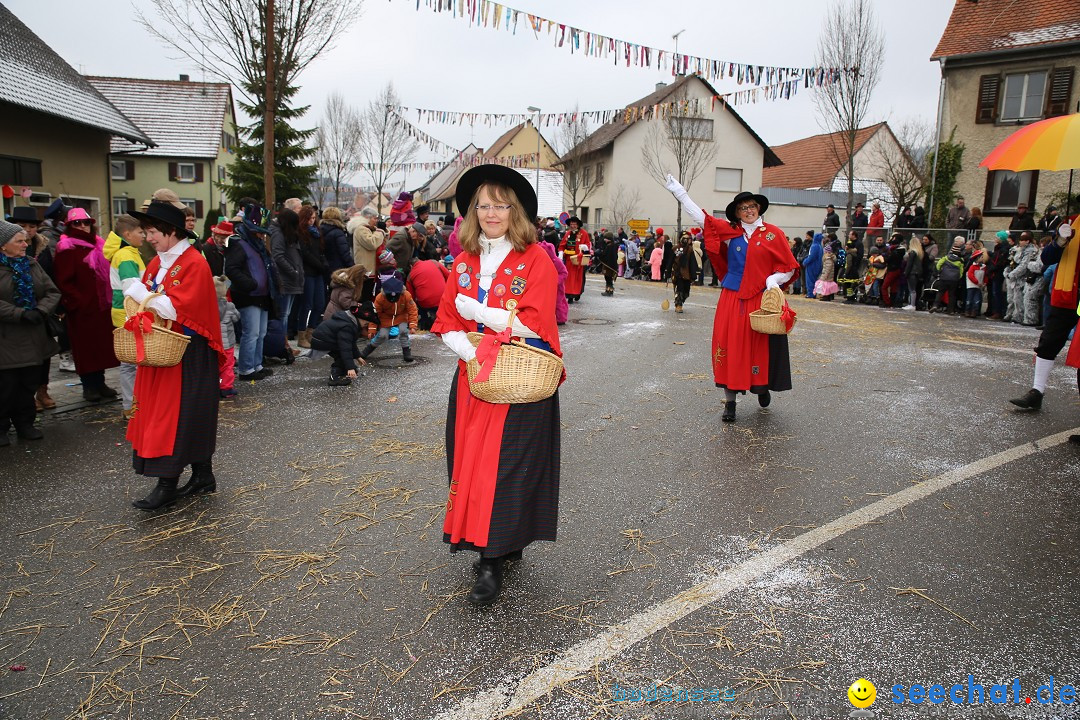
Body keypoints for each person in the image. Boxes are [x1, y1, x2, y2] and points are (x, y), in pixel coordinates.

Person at [431, 164, 563, 606]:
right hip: (475, 381)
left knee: (510, 467)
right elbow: (447, 318)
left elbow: (537, 323)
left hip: (520, 380)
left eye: (500, 205)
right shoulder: (464, 261)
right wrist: (471, 356)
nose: (491, 213)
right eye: (483, 205)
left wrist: (484, 316)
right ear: (473, 211)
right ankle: (488, 551)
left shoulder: (535, 258)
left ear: (514, 211)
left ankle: (498, 552)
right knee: (473, 465)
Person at [666, 177, 798, 422]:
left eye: (751, 207)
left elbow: (789, 267)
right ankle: (730, 401)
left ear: (758, 209)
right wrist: (682, 194)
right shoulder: (730, 233)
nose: (748, 211)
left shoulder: (773, 234)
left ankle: (762, 387)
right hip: (733, 297)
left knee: (759, 347)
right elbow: (702, 219)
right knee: (729, 345)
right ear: (737, 213)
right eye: (743, 208)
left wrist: (773, 280)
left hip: (760, 298)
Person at [123, 201, 224, 510]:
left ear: (170, 230)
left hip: (190, 353)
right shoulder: (156, 263)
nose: (148, 237)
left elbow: (178, 308)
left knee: (181, 418)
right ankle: (203, 476)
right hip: (163, 350)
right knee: (181, 415)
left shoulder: (194, 262)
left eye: (152, 231)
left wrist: (143, 295)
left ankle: (168, 483)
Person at [1010, 214, 1079, 411]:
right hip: (1067, 296)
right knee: (1048, 342)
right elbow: (1047, 258)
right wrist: (1059, 242)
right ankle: (1037, 391)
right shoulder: (1071, 222)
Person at [0, 220, 60, 445]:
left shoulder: (31, 264)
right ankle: (1, 427)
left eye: (25, 239)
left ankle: (25, 424)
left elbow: (52, 291)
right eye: (19, 241)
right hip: (5, 338)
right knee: (5, 387)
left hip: (33, 337)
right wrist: (19, 314)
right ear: (3, 246)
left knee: (28, 385)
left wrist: (40, 310)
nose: (26, 244)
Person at [53, 208, 120, 402]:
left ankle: (100, 382)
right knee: (85, 348)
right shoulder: (66, 247)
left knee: (100, 347)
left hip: (100, 306)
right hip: (82, 309)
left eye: (86, 222)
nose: (82, 226)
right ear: (69, 226)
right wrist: (77, 302)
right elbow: (64, 281)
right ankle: (89, 386)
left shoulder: (99, 244)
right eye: (77, 223)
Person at [224, 207, 276, 381]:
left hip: (261, 295)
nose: (262, 236)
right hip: (248, 295)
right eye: (259, 233)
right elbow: (231, 269)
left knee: (260, 332)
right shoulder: (239, 243)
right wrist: (250, 284)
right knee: (251, 332)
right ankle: (247, 369)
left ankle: (257, 364)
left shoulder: (257, 245)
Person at [103, 214, 146, 417]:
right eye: (140, 232)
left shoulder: (129, 252)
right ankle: (131, 406)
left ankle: (132, 404)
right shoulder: (126, 255)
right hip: (129, 314)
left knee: (133, 363)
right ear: (128, 234)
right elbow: (132, 287)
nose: (144, 235)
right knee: (131, 364)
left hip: (127, 313)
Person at [358, 276, 417, 363]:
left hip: (401, 316)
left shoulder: (406, 295)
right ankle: (367, 350)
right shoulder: (380, 298)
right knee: (382, 335)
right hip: (386, 318)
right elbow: (375, 314)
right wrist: (372, 329)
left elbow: (412, 310)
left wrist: (413, 325)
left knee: (403, 331)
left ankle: (407, 352)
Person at [311, 302, 370, 386]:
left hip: (325, 339)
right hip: (322, 341)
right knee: (342, 356)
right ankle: (334, 377)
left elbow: (351, 343)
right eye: (365, 323)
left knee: (345, 356)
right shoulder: (348, 327)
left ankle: (344, 370)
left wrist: (357, 356)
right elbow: (345, 348)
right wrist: (350, 368)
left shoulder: (350, 322)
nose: (365, 326)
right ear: (359, 319)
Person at [295, 205, 327, 349]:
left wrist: (324, 264)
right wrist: (320, 264)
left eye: (314, 218)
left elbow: (320, 252)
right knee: (306, 304)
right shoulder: (301, 233)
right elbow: (305, 254)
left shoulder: (317, 233)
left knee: (320, 303)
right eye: (310, 218)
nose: (312, 221)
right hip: (308, 272)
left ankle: (310, 332)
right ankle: (301, 335)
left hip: (318, 272)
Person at [270, 208, 304, 344]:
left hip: (291, 279)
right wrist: (293, 271)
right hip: (285, 280)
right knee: (283, 315)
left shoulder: (285, 233)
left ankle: (284, 344)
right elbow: (277, 256)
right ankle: (283, 344)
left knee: (286, 314)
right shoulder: (278, 234)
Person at [407, 257, 449, 330]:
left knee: (420, 305)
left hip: (426, 303)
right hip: (443, 298)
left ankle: (425, 324)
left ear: (411, 266)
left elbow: (411, 297)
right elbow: (449, 276)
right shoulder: (434, 262)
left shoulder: (410, 276)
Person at [931, 238, 966, 315]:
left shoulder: (946, 257)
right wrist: (958, 277)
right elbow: (961, 271)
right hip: (954, 279)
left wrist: (940, 271)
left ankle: (935, 305)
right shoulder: (961, 260)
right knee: (952, 294)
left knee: (940, 292)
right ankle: (951, 310)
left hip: (944, 277)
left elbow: (938, 264)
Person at [560, 217, 590, 302]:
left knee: (578, 278)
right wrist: (561, 253)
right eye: (571, 224)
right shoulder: (567, 233)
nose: (573, 226)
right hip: (569, 260)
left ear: (578, 225)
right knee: (569, 278)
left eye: (574, 224)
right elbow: (562, 244)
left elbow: (588, 245)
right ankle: (570, 295)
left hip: (579, 260)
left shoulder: (584, 233)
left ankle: (577, 293)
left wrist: (585, 248)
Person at [672, 233, 699, 312]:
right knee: (680, 289)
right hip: (678, 273)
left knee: (686, 291)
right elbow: (671, 260)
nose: (686, 240)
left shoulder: (690, 250)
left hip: (687, 274)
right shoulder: (675, 248)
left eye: (688, 239)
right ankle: (678, 305)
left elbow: (692, 263)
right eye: (685, 238)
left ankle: (680, 302)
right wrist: (668, 271)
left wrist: (693, 275)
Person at [320, 207, 353, 274]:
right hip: (339, 267)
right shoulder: (338, 232)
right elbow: (344, 252)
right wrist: (352, 266)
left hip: (325, 266)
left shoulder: (320, 230)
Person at [902, 236, 925, 310]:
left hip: (912, 272)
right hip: (917, 272)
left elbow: (909, 264)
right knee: (913, 289)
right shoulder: (919, 252)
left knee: (911, 289)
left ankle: (912, 304)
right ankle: (911, 304)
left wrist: (906, 272)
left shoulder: (912, 252)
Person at [802, 233, 823, 299]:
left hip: (812, 266)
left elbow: (811, 257)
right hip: (818, 265)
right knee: (815, 280)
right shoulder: (820, 246)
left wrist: (805, 262)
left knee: (810, 280)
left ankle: (810, 293)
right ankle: (814, 292)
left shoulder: (814, 246)